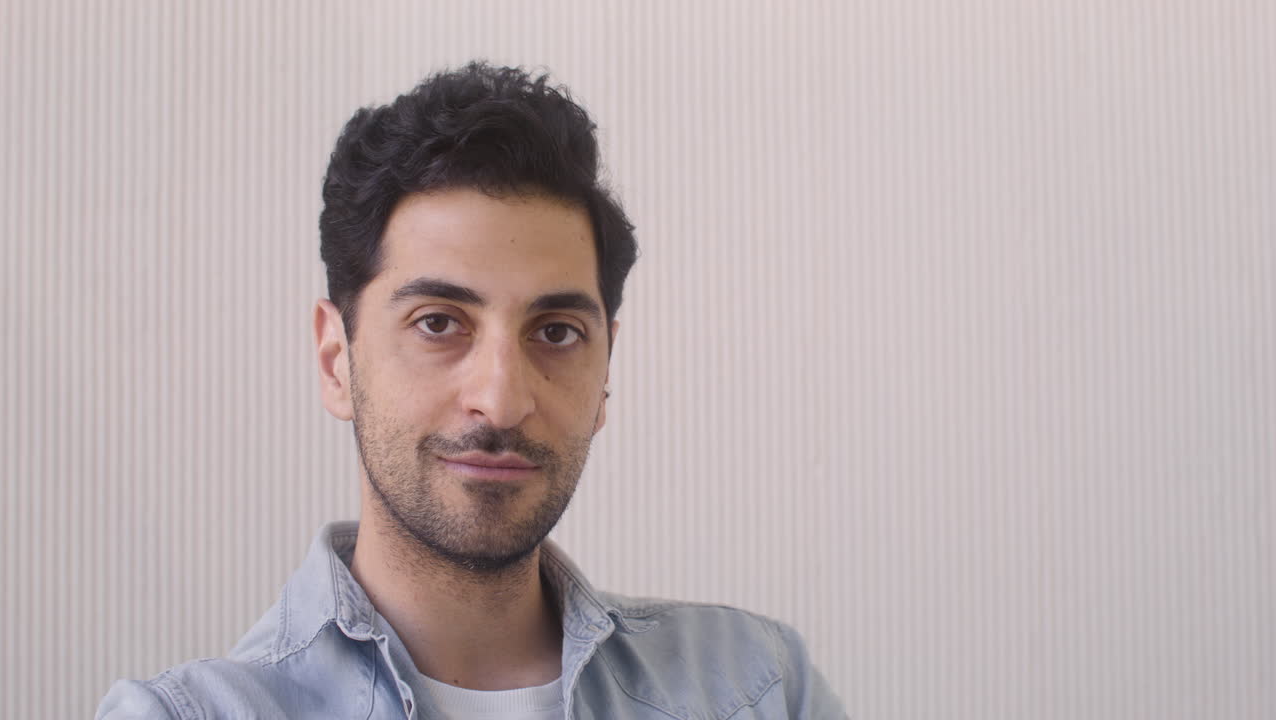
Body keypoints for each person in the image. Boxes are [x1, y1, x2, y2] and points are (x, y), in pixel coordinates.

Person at [97, 61, 847, 719]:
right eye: (438, 323)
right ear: (336, 361)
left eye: (555, 332)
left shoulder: (757, 687)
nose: (501, 399)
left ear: (606, 372)